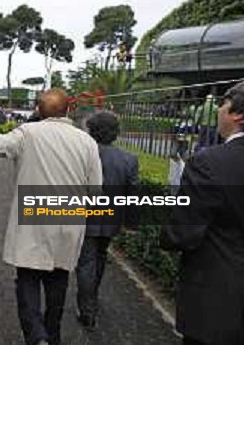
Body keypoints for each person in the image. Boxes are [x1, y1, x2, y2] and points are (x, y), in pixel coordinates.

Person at [0, 89, 102, 345]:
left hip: (34, 218)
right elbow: (95, 189)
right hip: (69, 219)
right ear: (68, 110)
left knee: (27, 279)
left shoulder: (28, 133)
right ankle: (52, 335)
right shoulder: (87, 142)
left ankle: (35, 336)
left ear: (38, 111)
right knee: (58, 280)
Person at [160, 80, 244, 344]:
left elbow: (183, 233)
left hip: (219, 306)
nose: (218, 110)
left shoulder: (210, 162)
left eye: (223, 103)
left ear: (238, 114)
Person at [75, 111, 139, 330]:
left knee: (86, 262)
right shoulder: (129, 160)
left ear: (91, 131)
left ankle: (87, 310)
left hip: (85, 217)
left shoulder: (82, 155)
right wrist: (131, 224)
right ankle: (92, 296)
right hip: (111, 219)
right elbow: (133, 195)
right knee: (100, 257)